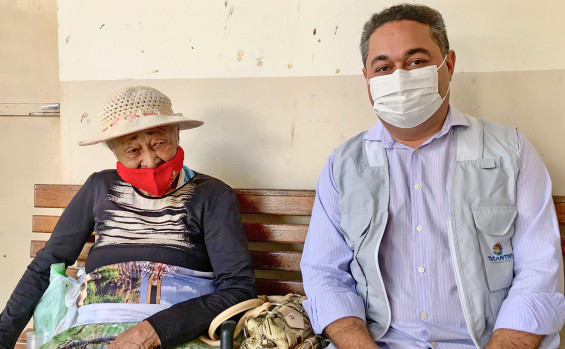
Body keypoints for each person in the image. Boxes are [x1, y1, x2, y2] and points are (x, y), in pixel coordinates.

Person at [300, 4, 564, 349]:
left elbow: (539, 271)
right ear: (367, 79)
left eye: (416, 62)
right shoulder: (344, 165)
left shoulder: (509, 152)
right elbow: (324, 274)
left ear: (448, 65)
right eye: (383, 67)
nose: (399, 77)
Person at [0, 86, 256, 348]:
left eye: (159, 143)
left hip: (175, 336)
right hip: (88, 333)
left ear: (177, 134)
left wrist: (154, 330)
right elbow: (48, 263)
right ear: (114, 152)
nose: (150, 161)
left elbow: (238, 289)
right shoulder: (100, 187)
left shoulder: (212, 195)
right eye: (133, 151)